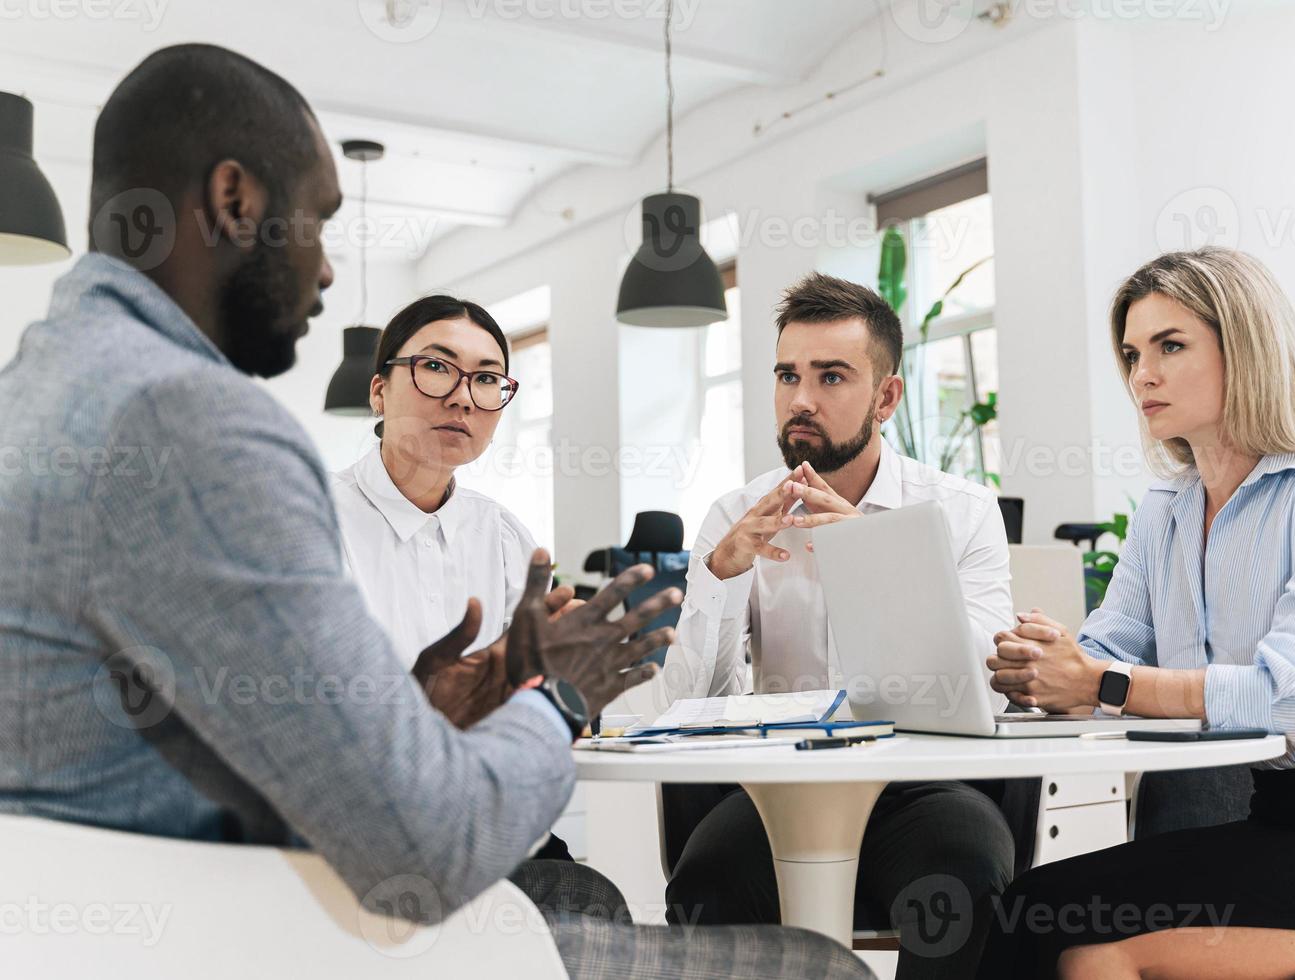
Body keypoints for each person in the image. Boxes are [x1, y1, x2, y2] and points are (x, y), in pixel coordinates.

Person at [0, 43, 871, 980]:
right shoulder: (193, 422)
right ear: (234, 201)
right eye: (319, 222)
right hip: (260, 933)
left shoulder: (42, 388)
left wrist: (413, 708)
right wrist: (564, 694)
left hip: (106, 924)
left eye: (488, 379)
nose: (329, 273)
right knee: (824, 967)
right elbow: (426, 849)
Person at [980, 247, 1295, 978]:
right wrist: (1041, 663)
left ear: (1245, 348)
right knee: (1028, 906)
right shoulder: (1166, 511)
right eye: (1132, 353)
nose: (1142, 374)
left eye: (1170, 346)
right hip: (1280, 824)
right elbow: (1107, 647)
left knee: (1090, 953)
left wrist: (1103, 682)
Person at [660, 272, 1016, 978]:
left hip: (923, 784)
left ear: (886, 397)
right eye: (788, 375)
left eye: (831, 377)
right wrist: (721, 579)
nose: (801, 400)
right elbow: (687, 703)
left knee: (963, 883)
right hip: (782, 785)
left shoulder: (964, 511)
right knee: (707, 889)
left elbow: (990, 688)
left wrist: (878, 559)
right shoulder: (734, 516)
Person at [334, 292, 574, 860]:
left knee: (589, 900)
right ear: (378, 392)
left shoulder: (505, 535)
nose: (464, 398)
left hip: (494, 821)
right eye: (436, 368)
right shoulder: (311, 519)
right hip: (363, 831)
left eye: (488, 379)